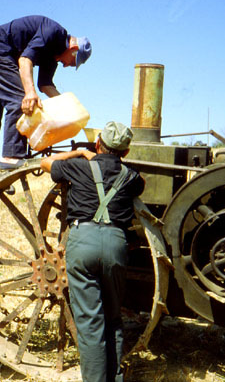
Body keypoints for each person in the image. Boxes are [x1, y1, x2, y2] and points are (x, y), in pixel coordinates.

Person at [40, 121, 145, 382]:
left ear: (98, 144)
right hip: (115, 245)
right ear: (126, 152)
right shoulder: (130, 176)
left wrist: (79, 153)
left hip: (83, 243)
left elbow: (46, 163)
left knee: (89, 322)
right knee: (113, 317)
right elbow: (142, 183)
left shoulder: (80, 166)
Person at [0, 15, 92, 190]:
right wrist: (29, 93)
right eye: (72, 62)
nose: (67, 66)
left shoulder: (54, 55)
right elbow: (25, 60)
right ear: (73, 48)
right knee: (24, 103)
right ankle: (11, 159)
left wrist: (71, 109)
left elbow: (46, 85)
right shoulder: (54, 32)